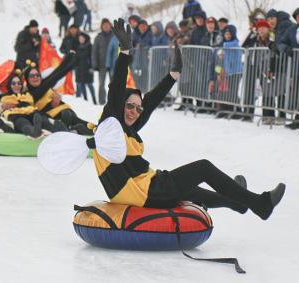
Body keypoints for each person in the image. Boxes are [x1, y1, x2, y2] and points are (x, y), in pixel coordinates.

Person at [90, 19, 285, 220]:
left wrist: (173, 75)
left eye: (137, 108)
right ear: (119, 105)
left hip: (145, 187)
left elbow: (149, 103)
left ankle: (238, 203)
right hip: (142, 192)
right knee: (203, 167)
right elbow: (116, 90)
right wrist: (124, 53)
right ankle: (259, 204)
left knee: (191, 191)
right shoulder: (109, 125)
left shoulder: (123, 129)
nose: (134, 111)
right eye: (129, 106)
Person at [24, 55, 94, 135]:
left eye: (38, 75)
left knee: (76, 119)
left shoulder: (43, 83)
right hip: (56, 118)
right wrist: (72, 65)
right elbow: (56, 77)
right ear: (27, 79)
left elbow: (57, 72)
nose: (35, 77)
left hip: (65, 111)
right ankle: (75, 131)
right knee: (67, 115)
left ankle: (93, 130)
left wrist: (68, 58)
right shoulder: (29, 94)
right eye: (32, 76)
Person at [92, 18, 113, 105]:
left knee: (113, 84)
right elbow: (94, 51)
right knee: (101, 84)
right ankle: (101, 101)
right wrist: (94, 64)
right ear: (102, 27)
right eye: (104, 26)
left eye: (107, 25)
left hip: (113, 64)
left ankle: (112, 100)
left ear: (110, 25)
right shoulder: (98, 37)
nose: (106, 27)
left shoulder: (115, 36)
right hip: (102, 64)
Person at [75, 33, 97, 104]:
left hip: (88, 69)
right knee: (82, 84)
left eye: (82, 38)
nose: (81, 40)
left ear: (86, 38)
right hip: (79, 69)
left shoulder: (90, 46)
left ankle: (94, 100)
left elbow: (93, 57)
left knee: (90, 84)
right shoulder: (78, 47)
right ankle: (85, 100)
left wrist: (92, 67)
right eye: (79, 38)